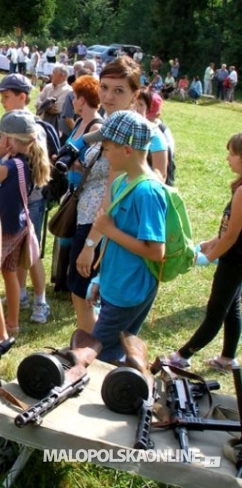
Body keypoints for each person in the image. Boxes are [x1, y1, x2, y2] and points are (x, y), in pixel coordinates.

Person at [83, 111, 166, 362]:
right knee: (114, 352)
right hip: (116, 284)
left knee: (98, 355)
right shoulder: (122, 182)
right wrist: (101, 278)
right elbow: (113, 241)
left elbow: (155, 251)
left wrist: (110, 230)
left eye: (107, 148)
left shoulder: (148, 191)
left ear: (128, 150)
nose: (104, 154)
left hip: (131, 289)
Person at [167, 133, 242, 372]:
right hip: (234, 256)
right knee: (232, 307)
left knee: (216, 310)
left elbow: (232, 236)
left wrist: (209, 257)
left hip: (235, 259)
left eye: (232, 153)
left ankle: (182, 355)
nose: (227, 158)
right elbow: (231, 228)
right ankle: (228, 358)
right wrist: (209, 243)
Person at [0, 111, 51, 344]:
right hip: (19, 225)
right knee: (9, 273)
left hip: (4, 230)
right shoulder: (29, 161)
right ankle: (12, 324)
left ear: (10, 140)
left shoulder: (10, 166)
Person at [64, 75, 106, 333]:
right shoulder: (80, 122)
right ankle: (87, 338)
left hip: (93, 213)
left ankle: (90, 344)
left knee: (82, 286)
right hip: (80, 204)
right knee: (78, 284)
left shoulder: (99, 128)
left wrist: (74, 163)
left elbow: (96, 171)